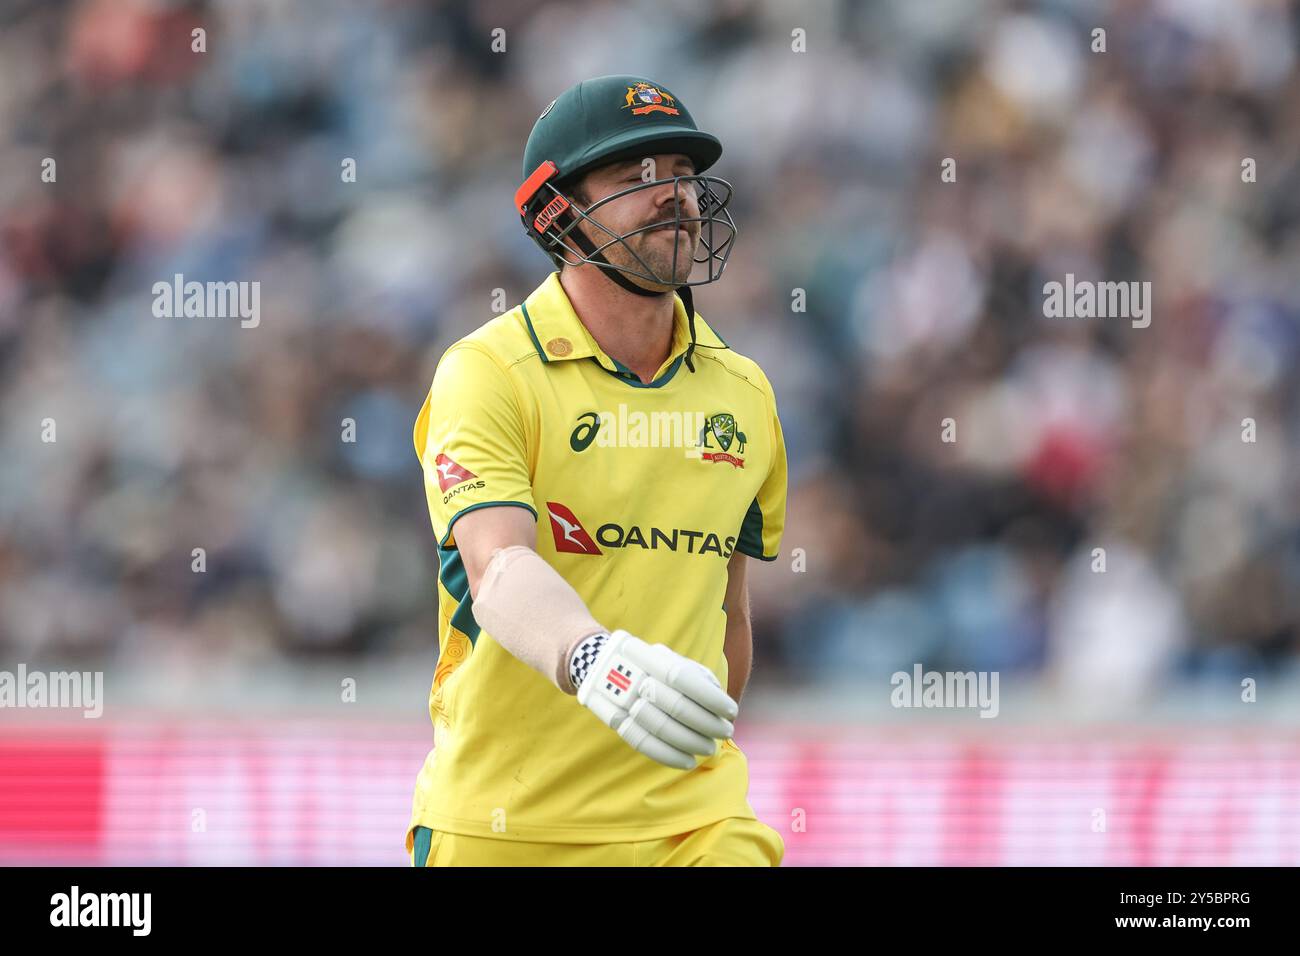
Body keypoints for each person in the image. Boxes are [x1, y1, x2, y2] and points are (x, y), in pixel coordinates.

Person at [406, 74, 788, 866]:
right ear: (560, 217)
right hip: (505, 823)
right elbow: (499, 567)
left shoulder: (744, 392)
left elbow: (729, 612)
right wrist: (590, 659)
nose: (674, 195)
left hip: (693, 822)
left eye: (681, 172)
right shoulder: (488, 371)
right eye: (636, 177)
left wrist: (692, 740)